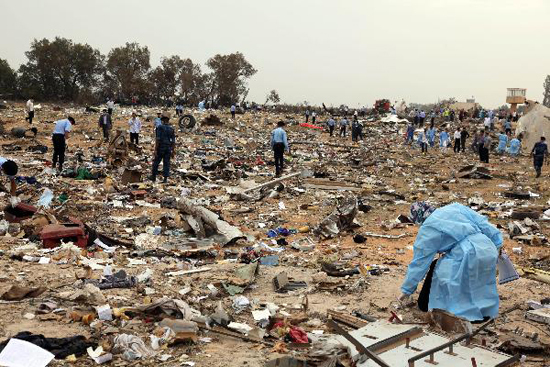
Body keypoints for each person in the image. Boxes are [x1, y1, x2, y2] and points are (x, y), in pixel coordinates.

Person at [400, 203, 502, 322]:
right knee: (480, 283)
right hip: (488, 248)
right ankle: (485, 313)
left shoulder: (428, 228)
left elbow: (420, 263)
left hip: (467, 253)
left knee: (447, 277)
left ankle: (452, 312)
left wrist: (406, 290)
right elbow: (485, 225)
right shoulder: (456, 207)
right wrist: (497, 245)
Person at [151, 112, 176, 183]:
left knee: (156, 162)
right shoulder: (171, 129)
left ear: (162, 120)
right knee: (166, 163)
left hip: (161, 147)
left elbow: (158, 139)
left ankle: (153, 177)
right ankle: (165, 179)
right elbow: (173, 141)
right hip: (168, 148)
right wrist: (173, 150)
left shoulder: (160, 127)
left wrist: (155, 149)